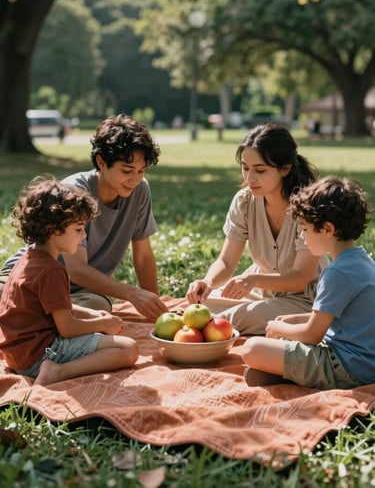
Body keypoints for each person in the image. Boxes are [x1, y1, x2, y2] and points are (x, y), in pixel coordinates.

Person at [0, 115, 168, 320]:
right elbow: (77, 269)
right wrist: (131, 293)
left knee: (98, 307)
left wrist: (157, 310)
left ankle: (36, 318)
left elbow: (143, 257)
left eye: (141, 171)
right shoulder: (75, 191)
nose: (134, 179)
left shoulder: (140, 190)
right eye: (126, 170)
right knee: (19, 300)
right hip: (30, 280)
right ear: (101, 162)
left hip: (77, 292)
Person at [186, 123, 329, 335]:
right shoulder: (244, 201)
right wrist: (207, 282)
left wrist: (252, 280)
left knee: (235, 318)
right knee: (199, 309)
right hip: (260, 290)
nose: (249, 178)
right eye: (245, 168)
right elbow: (226, 262)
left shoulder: (309, 206)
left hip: (305, 298)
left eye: (260, 170)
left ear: (285, 168)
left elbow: (299, 277)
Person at [0, 178, 139, 387]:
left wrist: (92, 314)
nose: (84, 235)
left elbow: (54, 306)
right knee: (128, 348)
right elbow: (67, 328)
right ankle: (58, 371)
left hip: (17, 355)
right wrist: (102, 324)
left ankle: (54, 367)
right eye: (79, 229)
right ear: (53, 230)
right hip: (42, 354)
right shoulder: (51, 270)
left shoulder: (28, 259)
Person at [242, 175, 374, 389]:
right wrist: (294, 319)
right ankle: (286, 373)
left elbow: (312, 335)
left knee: (252, 348)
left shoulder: (337, 272)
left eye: (304, 229)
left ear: (328, 229)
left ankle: (296, 374)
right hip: (362, 363)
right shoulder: (361, 261)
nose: (302, 238)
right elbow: (339, 316)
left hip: (345, 367)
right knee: (280, 343)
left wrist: (279, 327)